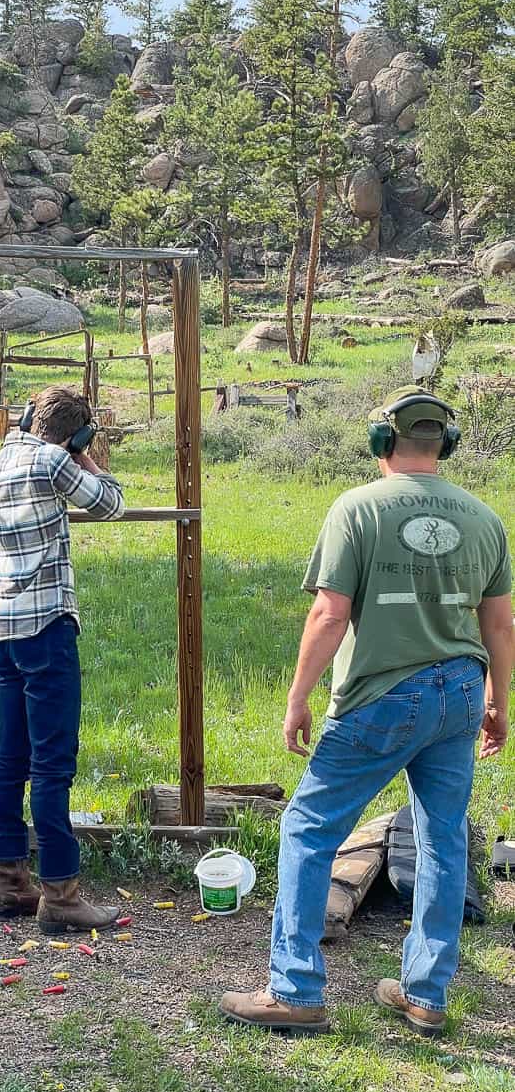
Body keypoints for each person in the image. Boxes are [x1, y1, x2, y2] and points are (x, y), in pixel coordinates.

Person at [221, 386, 513, 1037]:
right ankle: (426, 994)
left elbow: (329, 613)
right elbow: (500, 624)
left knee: (308, 827)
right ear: (448, 444)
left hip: (383, 695)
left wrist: (298, 696)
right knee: (441, 838)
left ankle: (294, 988)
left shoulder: (356, 508)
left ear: (383, 442)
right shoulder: (484, 518)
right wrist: (498, 701)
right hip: (460, 693)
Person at [0, 386, 125, 932]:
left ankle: (10, 881)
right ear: (74, 435)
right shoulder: (52, 462)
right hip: (47, 623)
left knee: (10, 757)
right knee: (52, 763)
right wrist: (83, 453)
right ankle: (61, 893)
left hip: (4, 624)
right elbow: (111, 503)